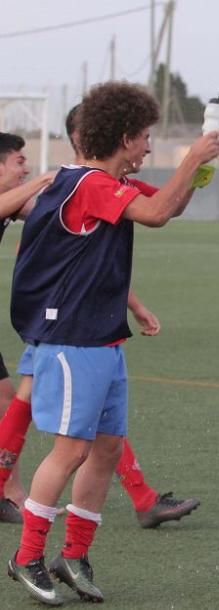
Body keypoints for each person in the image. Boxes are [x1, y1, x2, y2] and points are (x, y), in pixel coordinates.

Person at [6, 81, 219, 607]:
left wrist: (202, 164)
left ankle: (73, 555)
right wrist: (193, 155)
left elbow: (168, 207)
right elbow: (154, 214)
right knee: (72, 449)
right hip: (72, 337)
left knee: (103, 448)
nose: (149, 147)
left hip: (99, 337)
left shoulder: (103, 182)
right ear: (124, 137)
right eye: (145, 137)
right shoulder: (89, 184)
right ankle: (27, 555)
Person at [0, 133, 53, 523]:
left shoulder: (11, 203)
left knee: (6, 404)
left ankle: (9, 491)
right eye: (20, 161)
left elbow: (41, 209)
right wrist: (48, 178)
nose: (26, 167)